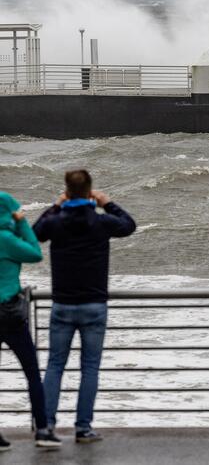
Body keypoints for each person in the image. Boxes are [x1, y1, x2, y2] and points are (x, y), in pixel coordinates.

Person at [33, 170, 136, 443]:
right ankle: (83, 427)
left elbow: (34, 234)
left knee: (55, 365)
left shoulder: (56, 221)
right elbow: (129, 225)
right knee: (90, 368)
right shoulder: (100, 222)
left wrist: (55, 205)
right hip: (94, 304)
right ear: (90, 191)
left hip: (63, 304)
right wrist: (108, 203)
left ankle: (46, 427)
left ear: (66, 191)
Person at [0, 192, 61, 451]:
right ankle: (43, 431)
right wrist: (22, 222)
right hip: (10, 315)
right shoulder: (8, 240)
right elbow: (36, 253)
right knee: (32, 374)